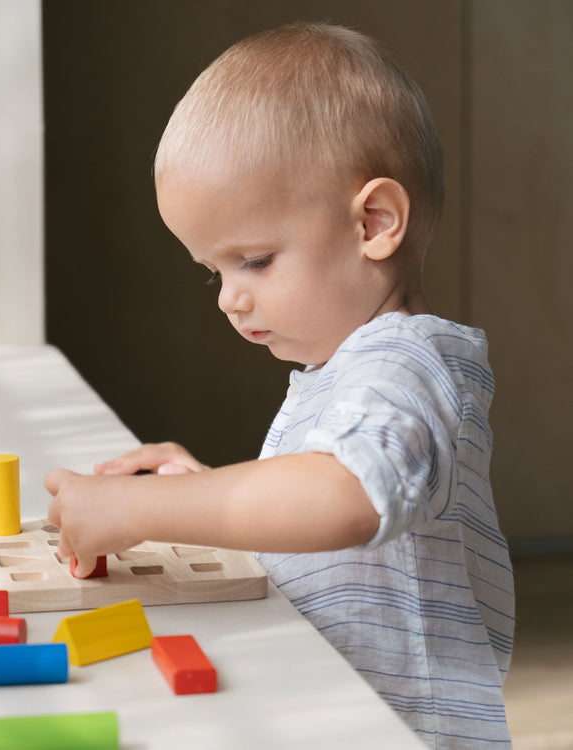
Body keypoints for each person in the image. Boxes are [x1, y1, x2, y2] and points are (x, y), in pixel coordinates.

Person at [44, 22, 514, 748]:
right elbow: (318, 519)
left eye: (255, 261)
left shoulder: (405, 366)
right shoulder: (349, 370)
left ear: (376, 223)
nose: (229, 298)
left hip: (399, 729)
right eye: (214, 271)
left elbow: (345, 500)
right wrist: (204, 483)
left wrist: (150, 505)